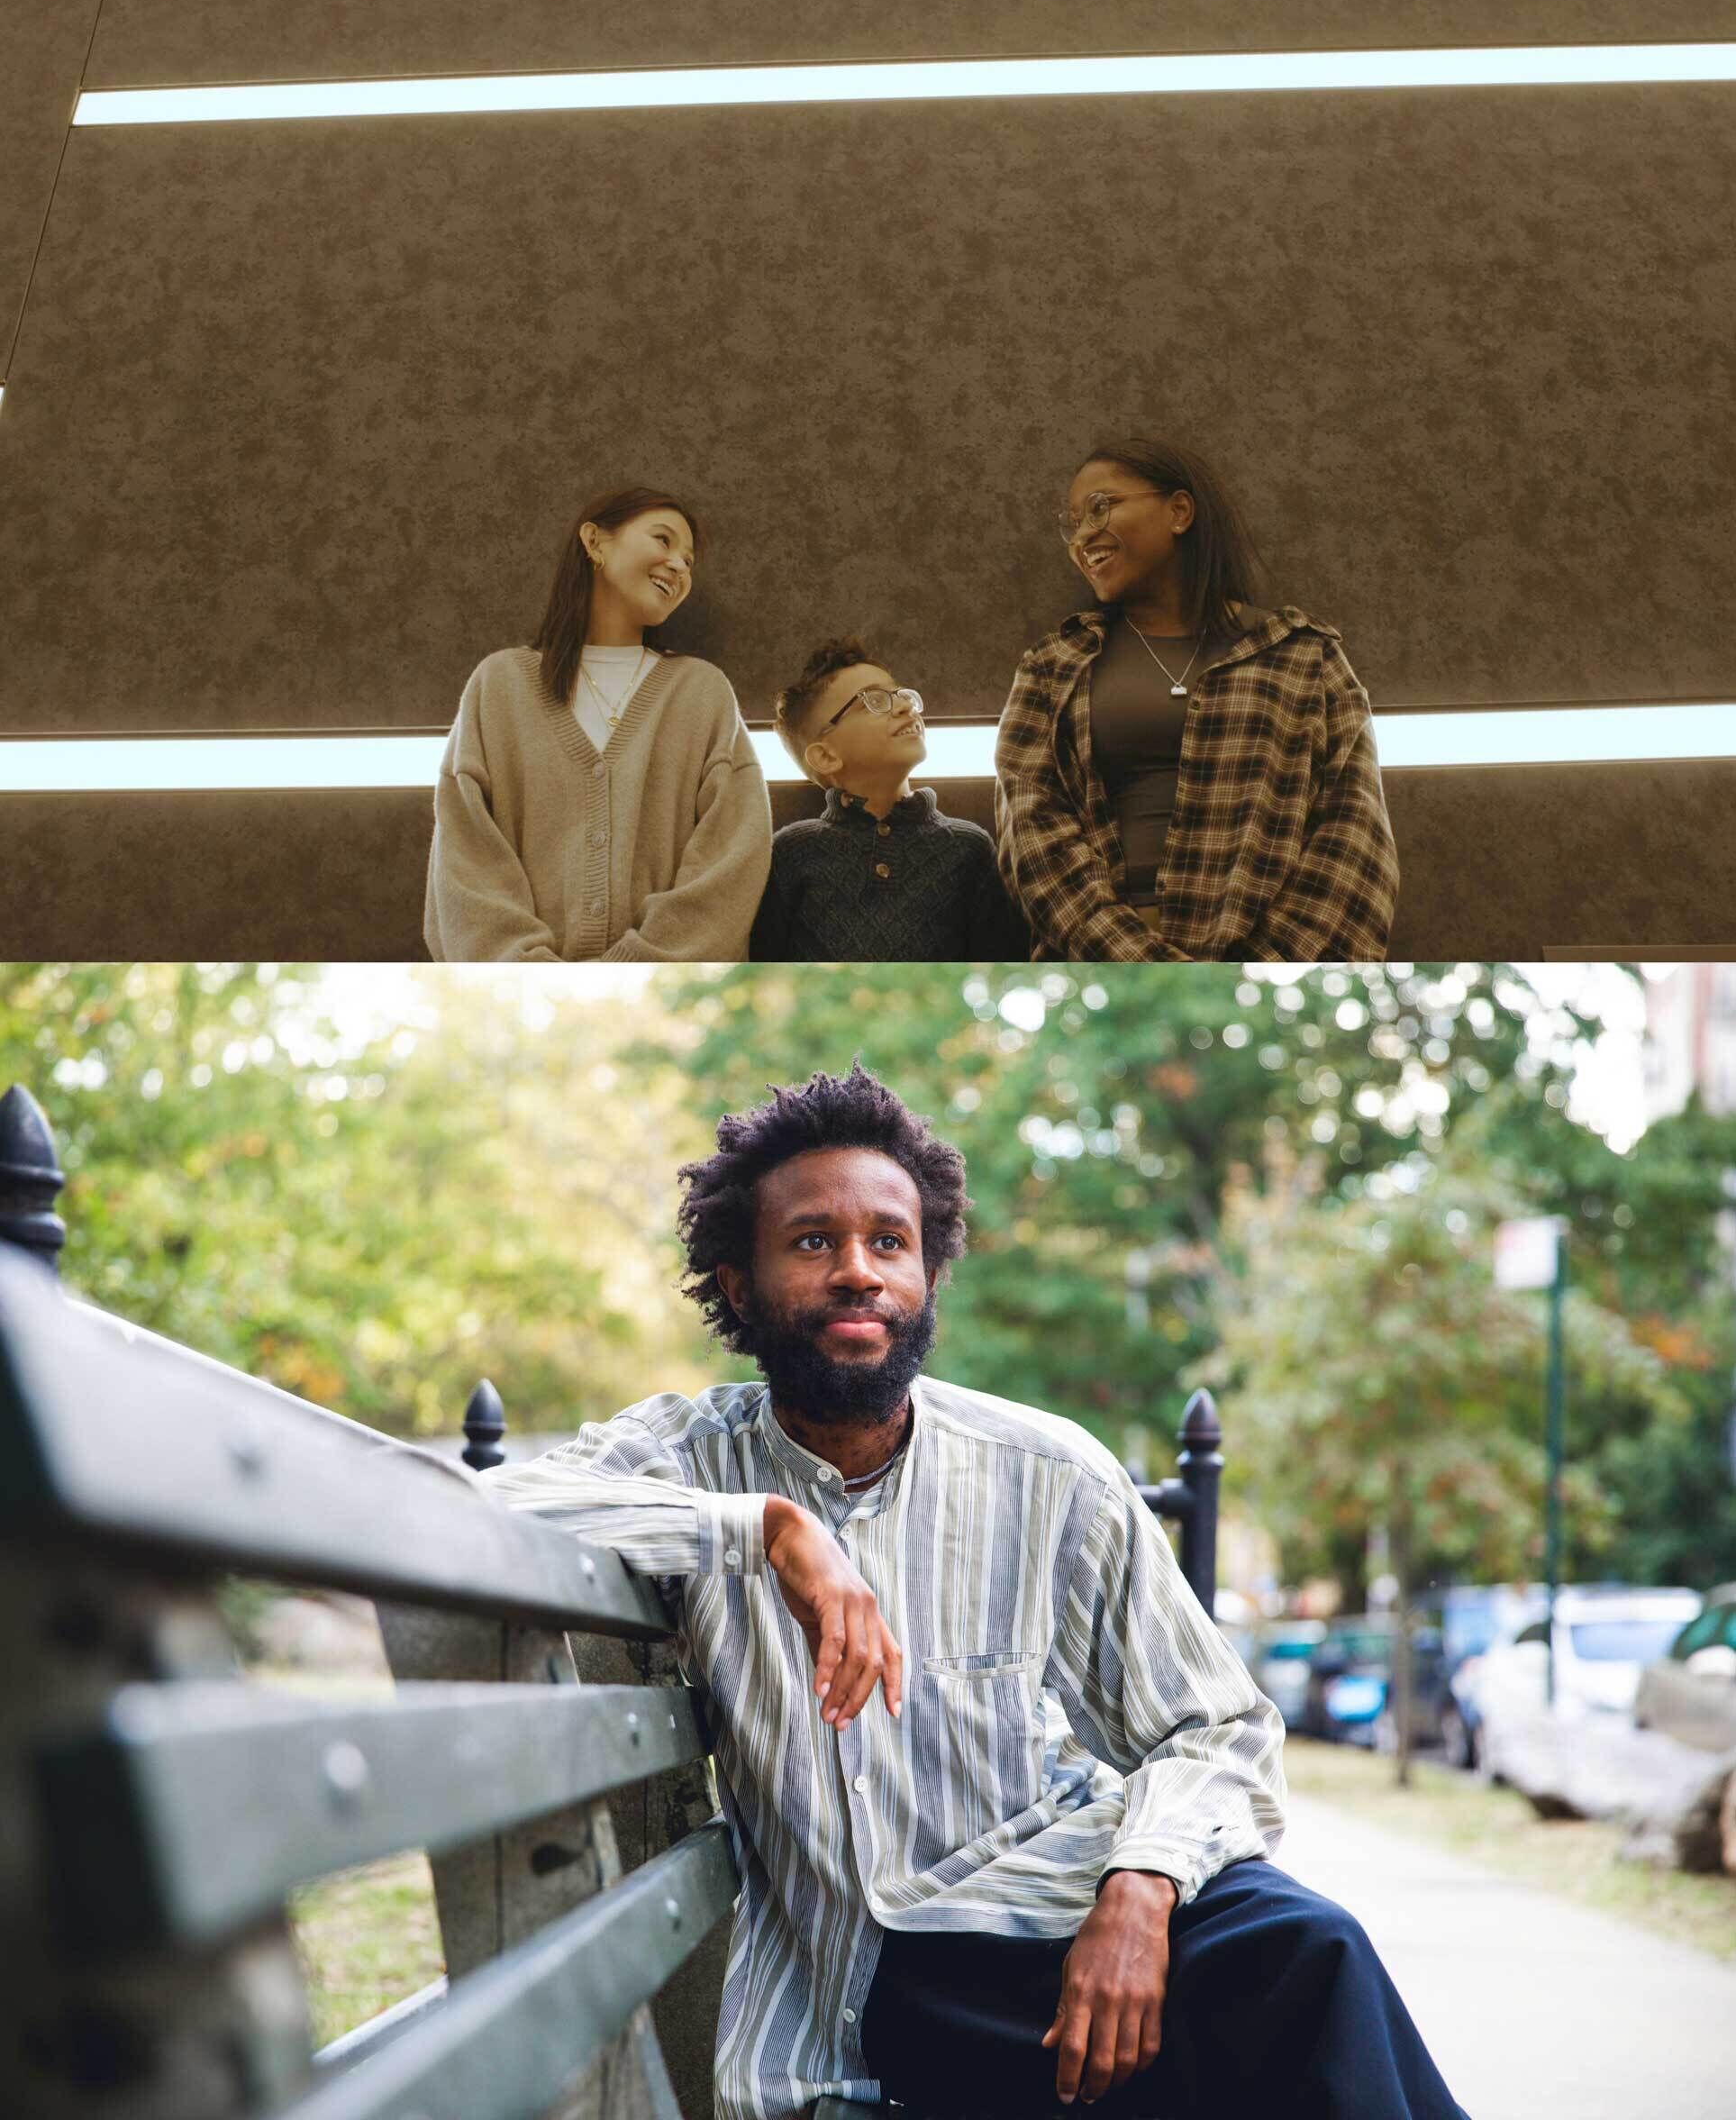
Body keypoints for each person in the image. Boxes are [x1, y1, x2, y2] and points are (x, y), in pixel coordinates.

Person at [477, 1066, 1469, 2120]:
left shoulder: (1048, 1473)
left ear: (929, 1274)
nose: (858, 1271)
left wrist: (1141, 1888)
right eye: (813, 1242)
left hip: (1084, 1895)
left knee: (1310, 1953)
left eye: (888, 1242)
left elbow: (1215, 1726)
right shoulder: (686, 1457)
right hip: (898, 1972)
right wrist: (767, 1532)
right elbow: (480, 1507)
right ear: (737, 1284)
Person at [995, 441, 1400, 961]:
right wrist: (1144, 966)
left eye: (1099, 507)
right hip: (1099, 979)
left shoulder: (1303, 656)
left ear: (1179, 512)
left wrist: (1260, 977)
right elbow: (1033, 842)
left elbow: (1354, 841)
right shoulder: (1052, 666)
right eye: (1072, 523)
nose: (1082, 537)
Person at [423, 487, 771, 960]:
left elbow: (732, 862)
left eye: (689, 560)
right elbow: (465, 863)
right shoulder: (500, 684)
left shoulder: (702, 692)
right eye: (663, 540)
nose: (679, 566)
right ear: (594, 542)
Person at [750, 637, 1028, 960]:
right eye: (874, 700)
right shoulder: (791, 852)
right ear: (826, 757)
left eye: (901, 694)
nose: (905, 705)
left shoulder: (969, 847)